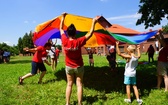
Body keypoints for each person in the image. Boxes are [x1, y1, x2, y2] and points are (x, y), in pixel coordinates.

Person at [60, 12, 98, 105]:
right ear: (75, 33)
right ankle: (80, 103)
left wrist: (63, 17)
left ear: (67, 33)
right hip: (79, 67)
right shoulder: (79, 41)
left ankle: (67, 103)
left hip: (68, 67)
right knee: (79, 84)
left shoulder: (64, 40)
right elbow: (90, 33)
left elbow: (60, 28)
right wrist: (93, 21)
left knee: (69, 84)